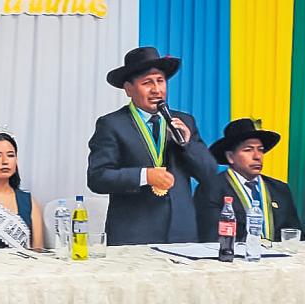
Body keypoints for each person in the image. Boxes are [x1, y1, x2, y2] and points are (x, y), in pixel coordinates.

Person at [87, 46, 217, 245]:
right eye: (147, 83)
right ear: (129, 89)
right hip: (133, 235)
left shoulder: (184, 122)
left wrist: (187, 144)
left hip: (182, 234)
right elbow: (97, 178)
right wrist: (144, 176)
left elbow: (209, 173)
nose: (156, 89)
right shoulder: (112, 124)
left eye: (160, 81)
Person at [194, 118, 303, 242]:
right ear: (230, 157)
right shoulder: (211, 189)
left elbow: (296, 234)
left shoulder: (279, 189)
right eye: (248, 150)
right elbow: (211, 237)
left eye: (260, 150)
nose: (257, 156)